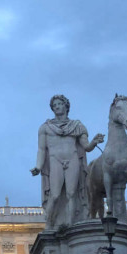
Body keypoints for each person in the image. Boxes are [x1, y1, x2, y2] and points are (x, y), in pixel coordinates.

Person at [30, 95, 103, 229]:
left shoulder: (77, 126)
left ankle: (71, 225)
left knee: (71, 193)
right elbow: (41, 150)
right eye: (54, 105)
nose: (57, 107)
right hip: (55, 160)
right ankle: (50, 225)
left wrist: (94, 141)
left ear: (66, 106)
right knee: (55, 194)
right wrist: (38, 166)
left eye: (59, 104)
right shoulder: (45, 128)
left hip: (72, 159)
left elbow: (86, 146)